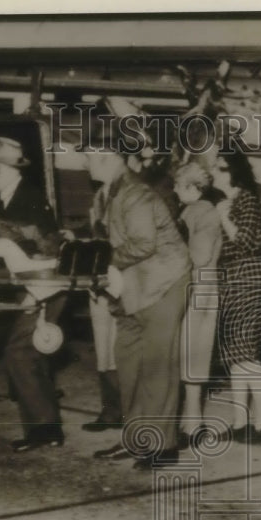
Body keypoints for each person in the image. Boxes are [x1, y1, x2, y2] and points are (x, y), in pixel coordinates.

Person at [89, 142, 191, 468]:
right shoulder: (107, 193)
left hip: (163, 283)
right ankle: (136, 440)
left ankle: (163, 447)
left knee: (157, 365)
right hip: (132, 287)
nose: (85, 164)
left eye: (89, 157)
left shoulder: (135, 193)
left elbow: (144, 244)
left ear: (108, 158)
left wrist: (98, 262)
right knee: (128, 362)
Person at [0, 136, 67, 451]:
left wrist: (34, 296)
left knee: (18, 352)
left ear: (2, 169)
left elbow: (47, 249)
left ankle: (45, 428)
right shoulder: (5, 200)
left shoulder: (29, 200)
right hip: (32, 285)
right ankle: (45, 430)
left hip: (45, 285)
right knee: (31, 355)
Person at [210, 151, 261, 443]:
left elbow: (248, 242)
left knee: (247, 358)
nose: (212, 171)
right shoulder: (231, 201)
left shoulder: (246, 200)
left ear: (230, 171)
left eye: (217, 166)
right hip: (233, 285)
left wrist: (224, 216)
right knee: (237, 358)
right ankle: (240, 424)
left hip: (249, 285)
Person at [173, 162, 223, 448]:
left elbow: (200, 255)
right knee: (196, 356)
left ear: (193, 188)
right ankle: (191, 421)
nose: (174, 190)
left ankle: (192, 424)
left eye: (179, 185)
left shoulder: (199, 211)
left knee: (190, 355)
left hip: (196, 287)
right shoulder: (205, 210)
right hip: (206, 287)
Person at [80, 165, 124, 434]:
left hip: (122, 277)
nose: (87, 161)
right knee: (103, 346)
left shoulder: (127, 191)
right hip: (99, 279)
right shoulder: (100, 193)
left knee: (120, 347)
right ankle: (110, 410)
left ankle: (126, 409)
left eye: (90, 154)